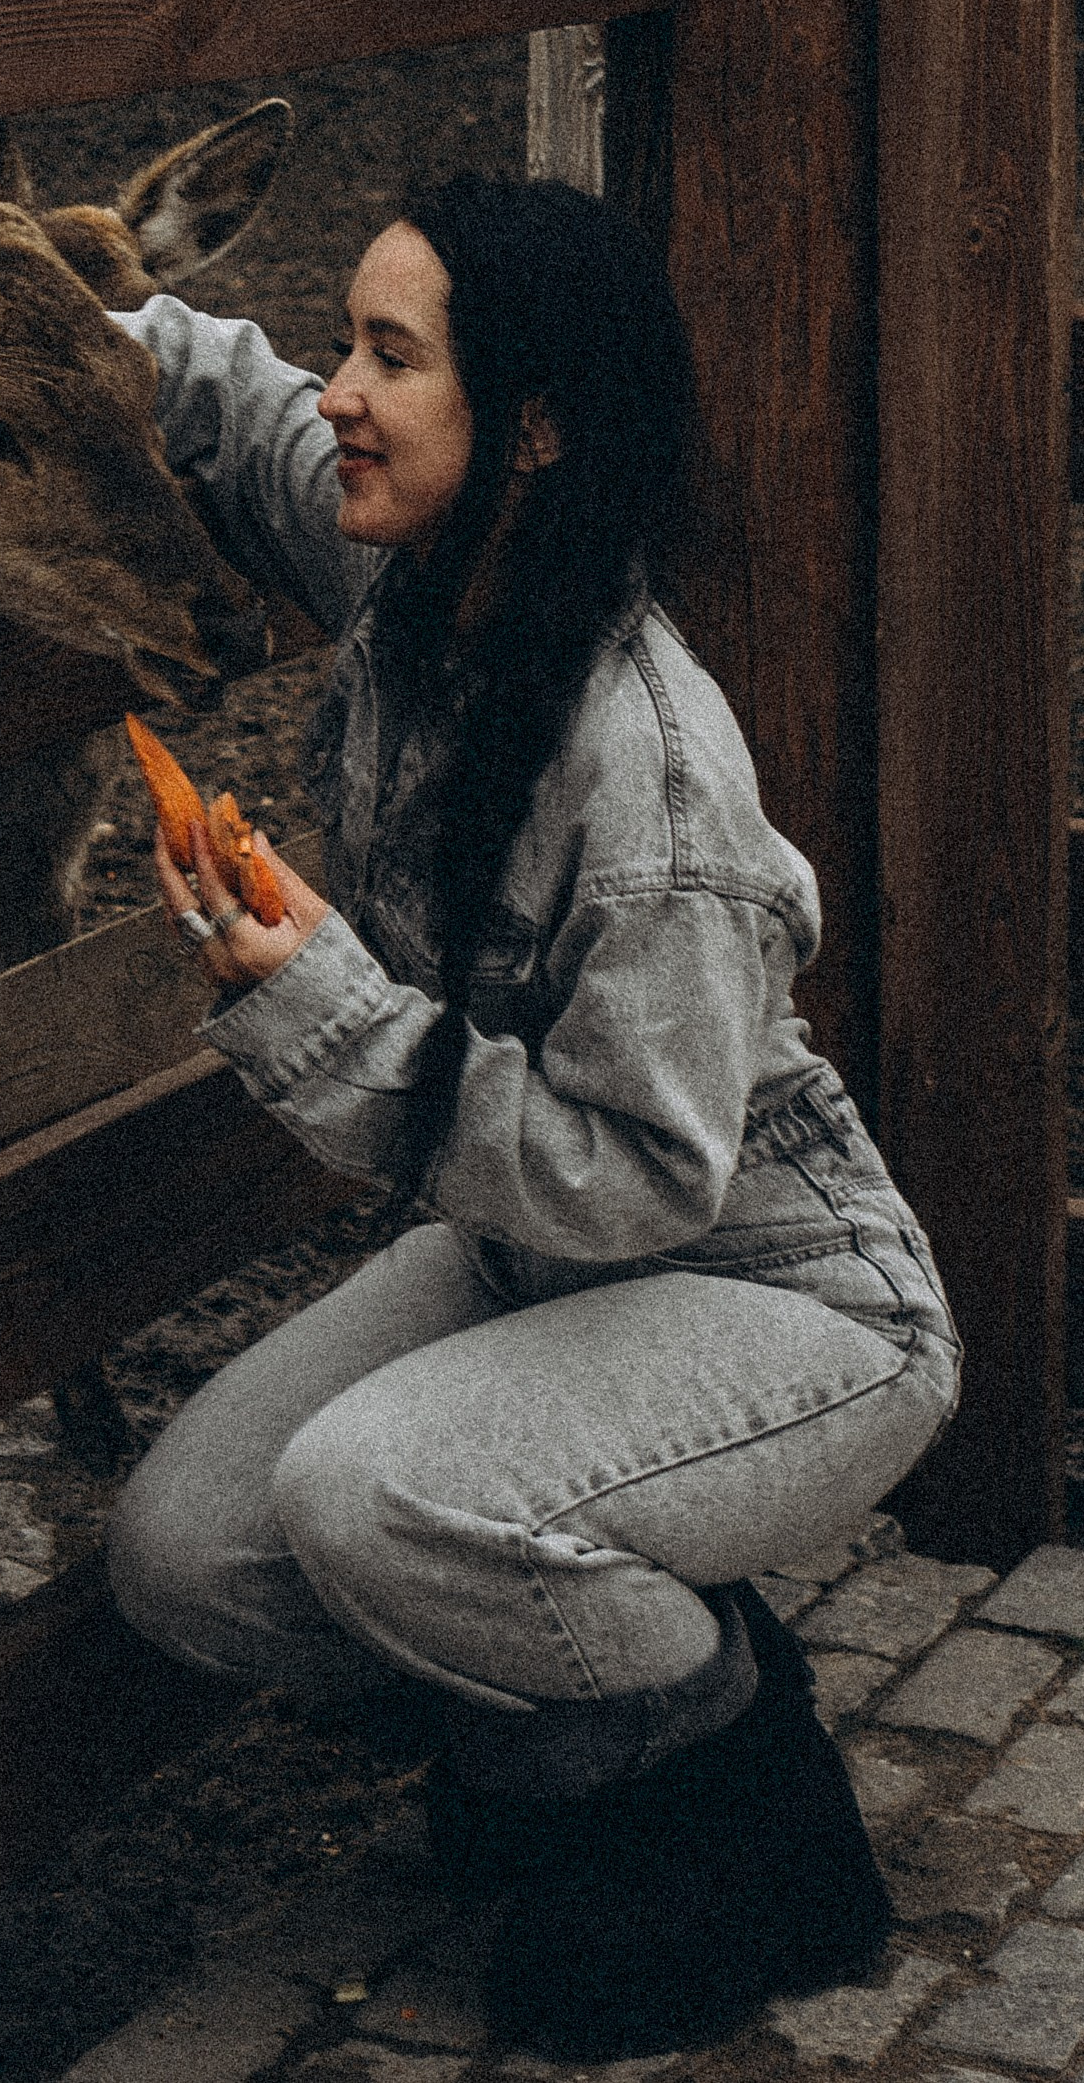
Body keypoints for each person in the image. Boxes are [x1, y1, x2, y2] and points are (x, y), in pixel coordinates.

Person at [103, 171, 959, 2059]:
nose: (338, 391)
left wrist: (326, 1011)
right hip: (537, 1259)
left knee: (370, 1497)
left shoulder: (651, 780)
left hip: (779, 1297)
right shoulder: (423, 573)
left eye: (390, 358)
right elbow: (229, 401)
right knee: (193, 1558)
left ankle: (718, 1773)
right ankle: (570, 1706)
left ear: (536, 429)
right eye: (348, 342)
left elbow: (636, 1176)